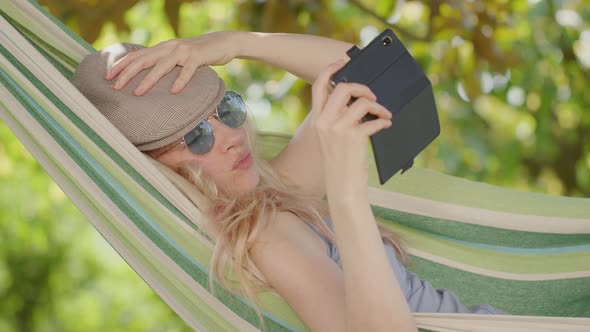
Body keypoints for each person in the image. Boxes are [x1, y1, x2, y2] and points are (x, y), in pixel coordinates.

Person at [71, 31, 504, 331]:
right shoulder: (265, 233)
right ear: (155, 168)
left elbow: (372, 76)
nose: (230, 137)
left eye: (226, 110)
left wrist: (235, 43)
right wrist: (346, 189)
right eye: (196, 137)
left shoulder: (274, 194)